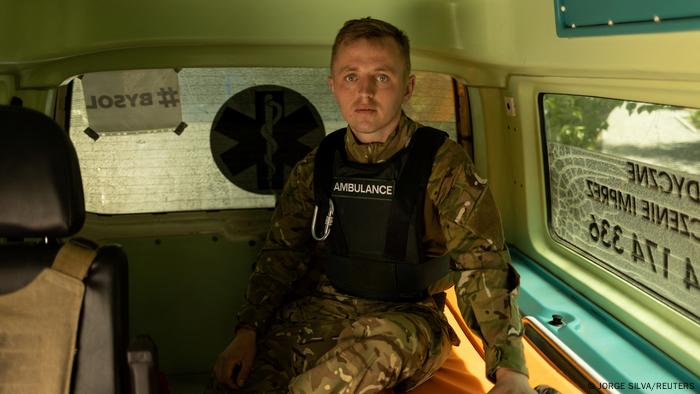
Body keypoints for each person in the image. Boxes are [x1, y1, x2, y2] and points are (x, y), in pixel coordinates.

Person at [209, 17, 533, 394]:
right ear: (333, 86)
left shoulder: (442, 163)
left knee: (371, 350)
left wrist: (510, 371)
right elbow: (282, 253)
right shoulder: (319, 163)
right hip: (323, 310)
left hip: (407, 318)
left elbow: (481, 262)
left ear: (407, 87)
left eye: (381, 77)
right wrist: (247, 331)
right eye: (350, 77)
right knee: (235, 381)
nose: (364, 92)